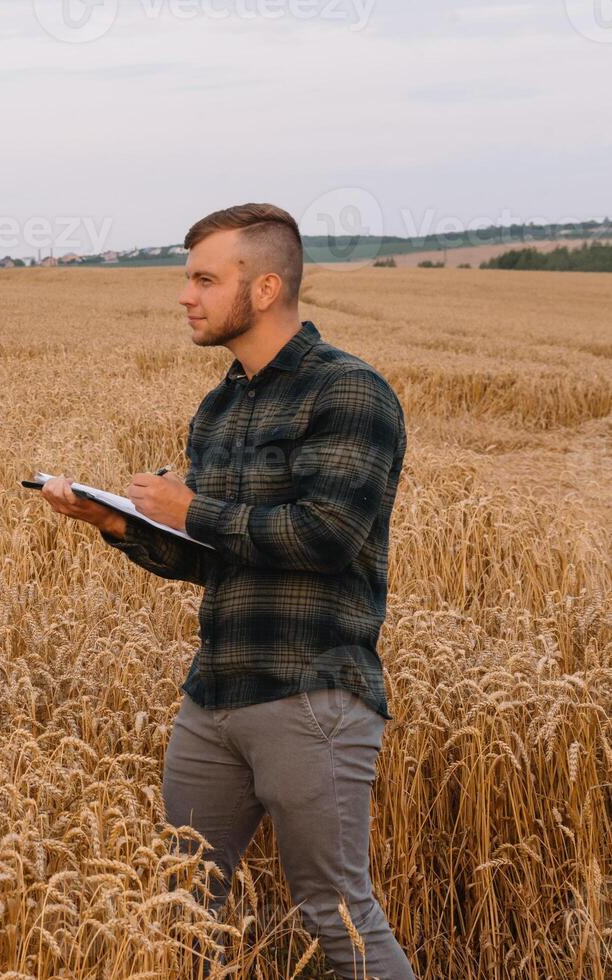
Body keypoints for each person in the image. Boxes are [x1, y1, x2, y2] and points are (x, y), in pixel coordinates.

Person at [40, 203, 414, 979]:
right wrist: (116, 525)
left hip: (311, 694)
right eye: (188, 280)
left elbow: (326, 538)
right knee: (177, 905)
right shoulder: (220, 406)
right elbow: (216, 557)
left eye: (206, 280)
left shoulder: (348, 394)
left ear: (267, 287)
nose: (186, 296)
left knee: (335, 914)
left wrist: (191, 508)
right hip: (213, 697)